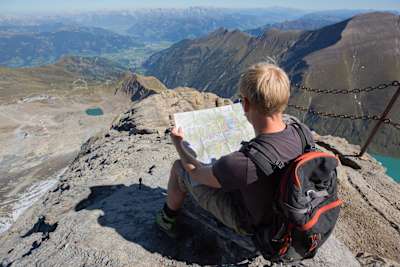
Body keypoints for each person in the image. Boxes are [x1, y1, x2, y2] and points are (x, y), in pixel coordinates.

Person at [155, 62, 313, 239]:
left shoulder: (242, 163)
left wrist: (179, 145)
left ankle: (166, 219)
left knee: (179, 168)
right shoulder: (302, 132)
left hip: (254, 225)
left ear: (245, 104)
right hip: (287, 215)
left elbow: (196, 173)